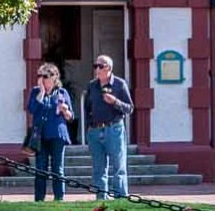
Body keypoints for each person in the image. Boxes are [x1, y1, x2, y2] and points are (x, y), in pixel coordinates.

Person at [82, 56, 135, 200]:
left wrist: (115, 102)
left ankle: (121, 197)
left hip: (114, 129)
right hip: (95, 130)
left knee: (118, 166)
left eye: (100, 66)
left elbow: (129, 108)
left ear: (109, 68)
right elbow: (87, 108)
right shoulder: (92, 86)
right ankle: (101, 198)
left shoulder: (119, 84)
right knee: (99, 167)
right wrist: (89, 128)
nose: (97, 69)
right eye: (95, 66)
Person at [26, 64, 74, 202]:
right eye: (39, 76)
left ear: (54, 77)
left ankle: (59, 197)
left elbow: (71, 116)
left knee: (57, 167)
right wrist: (41, 93)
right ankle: (39, 198)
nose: (41, 79)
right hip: (40, 136)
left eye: (45, 76)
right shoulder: (36, 92)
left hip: (57, 134)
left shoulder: (62, 93)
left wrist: (64, 110)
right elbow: (31, 109)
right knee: (40, 167)